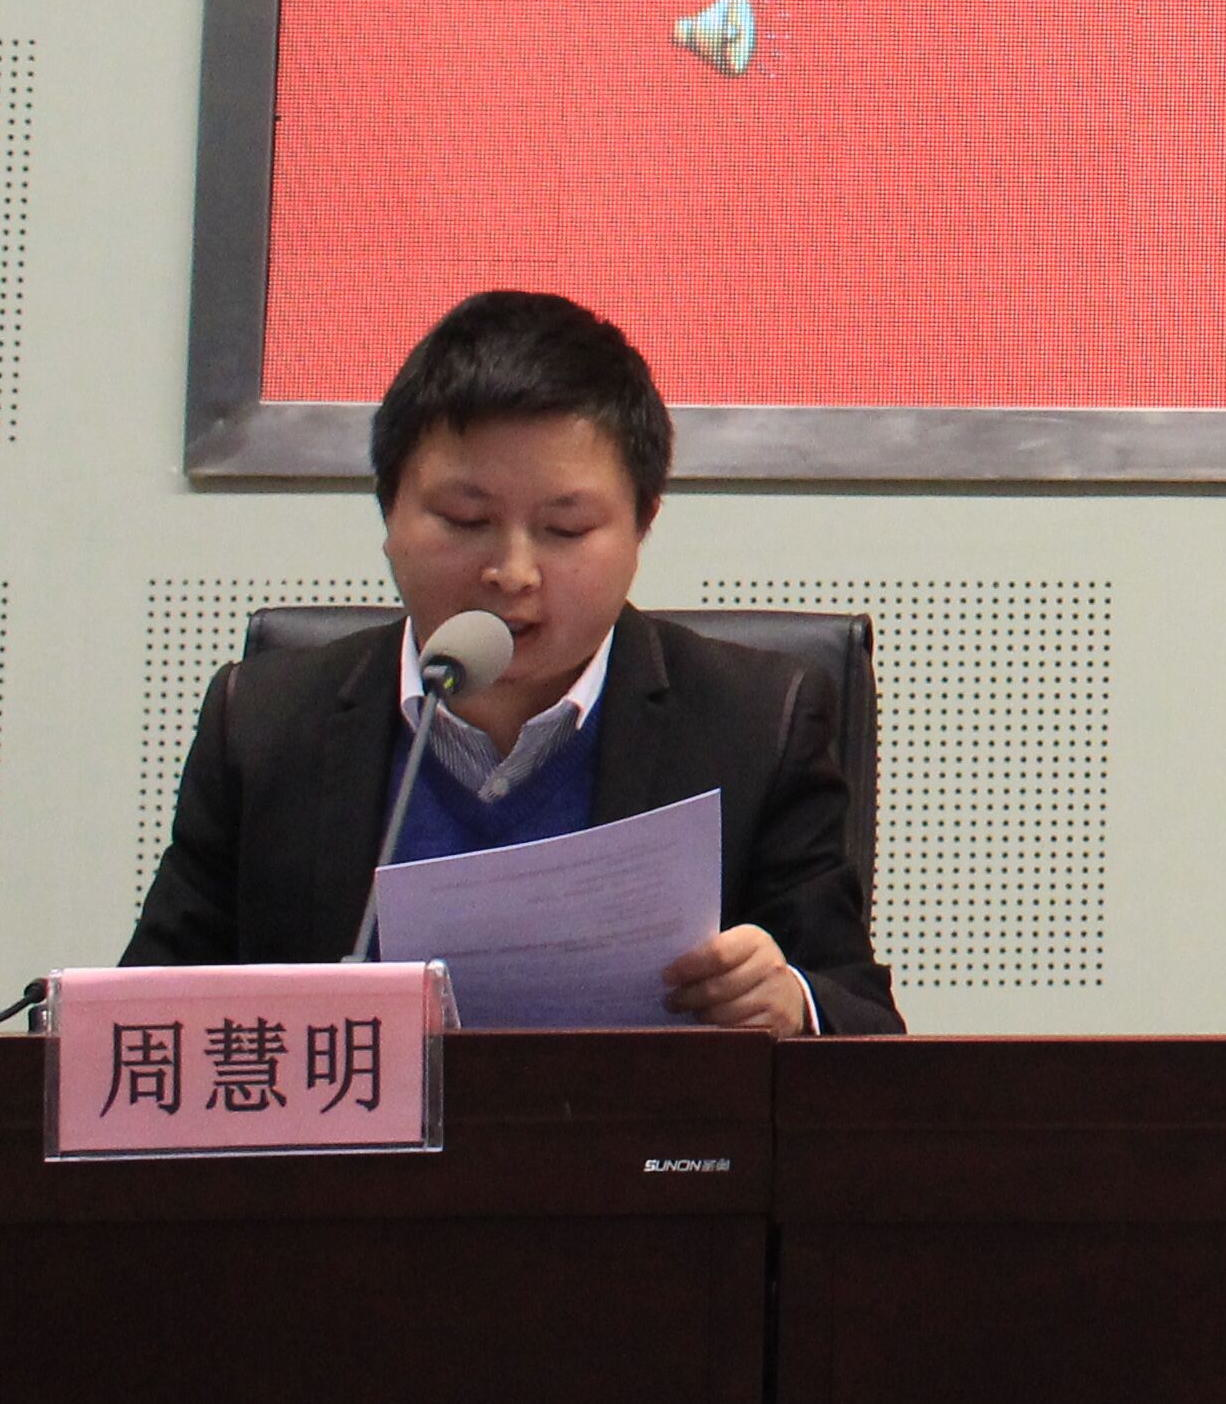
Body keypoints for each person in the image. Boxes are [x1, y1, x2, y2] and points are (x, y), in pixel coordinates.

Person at [129, 290, 898, 1033]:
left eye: (565, 530)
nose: (513, 573)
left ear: (641, 526)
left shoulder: (756, 724)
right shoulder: (263, 724)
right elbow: (136, 1023)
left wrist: (790, 1002)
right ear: (389, 514)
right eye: (467, 520)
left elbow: (864, 1028)